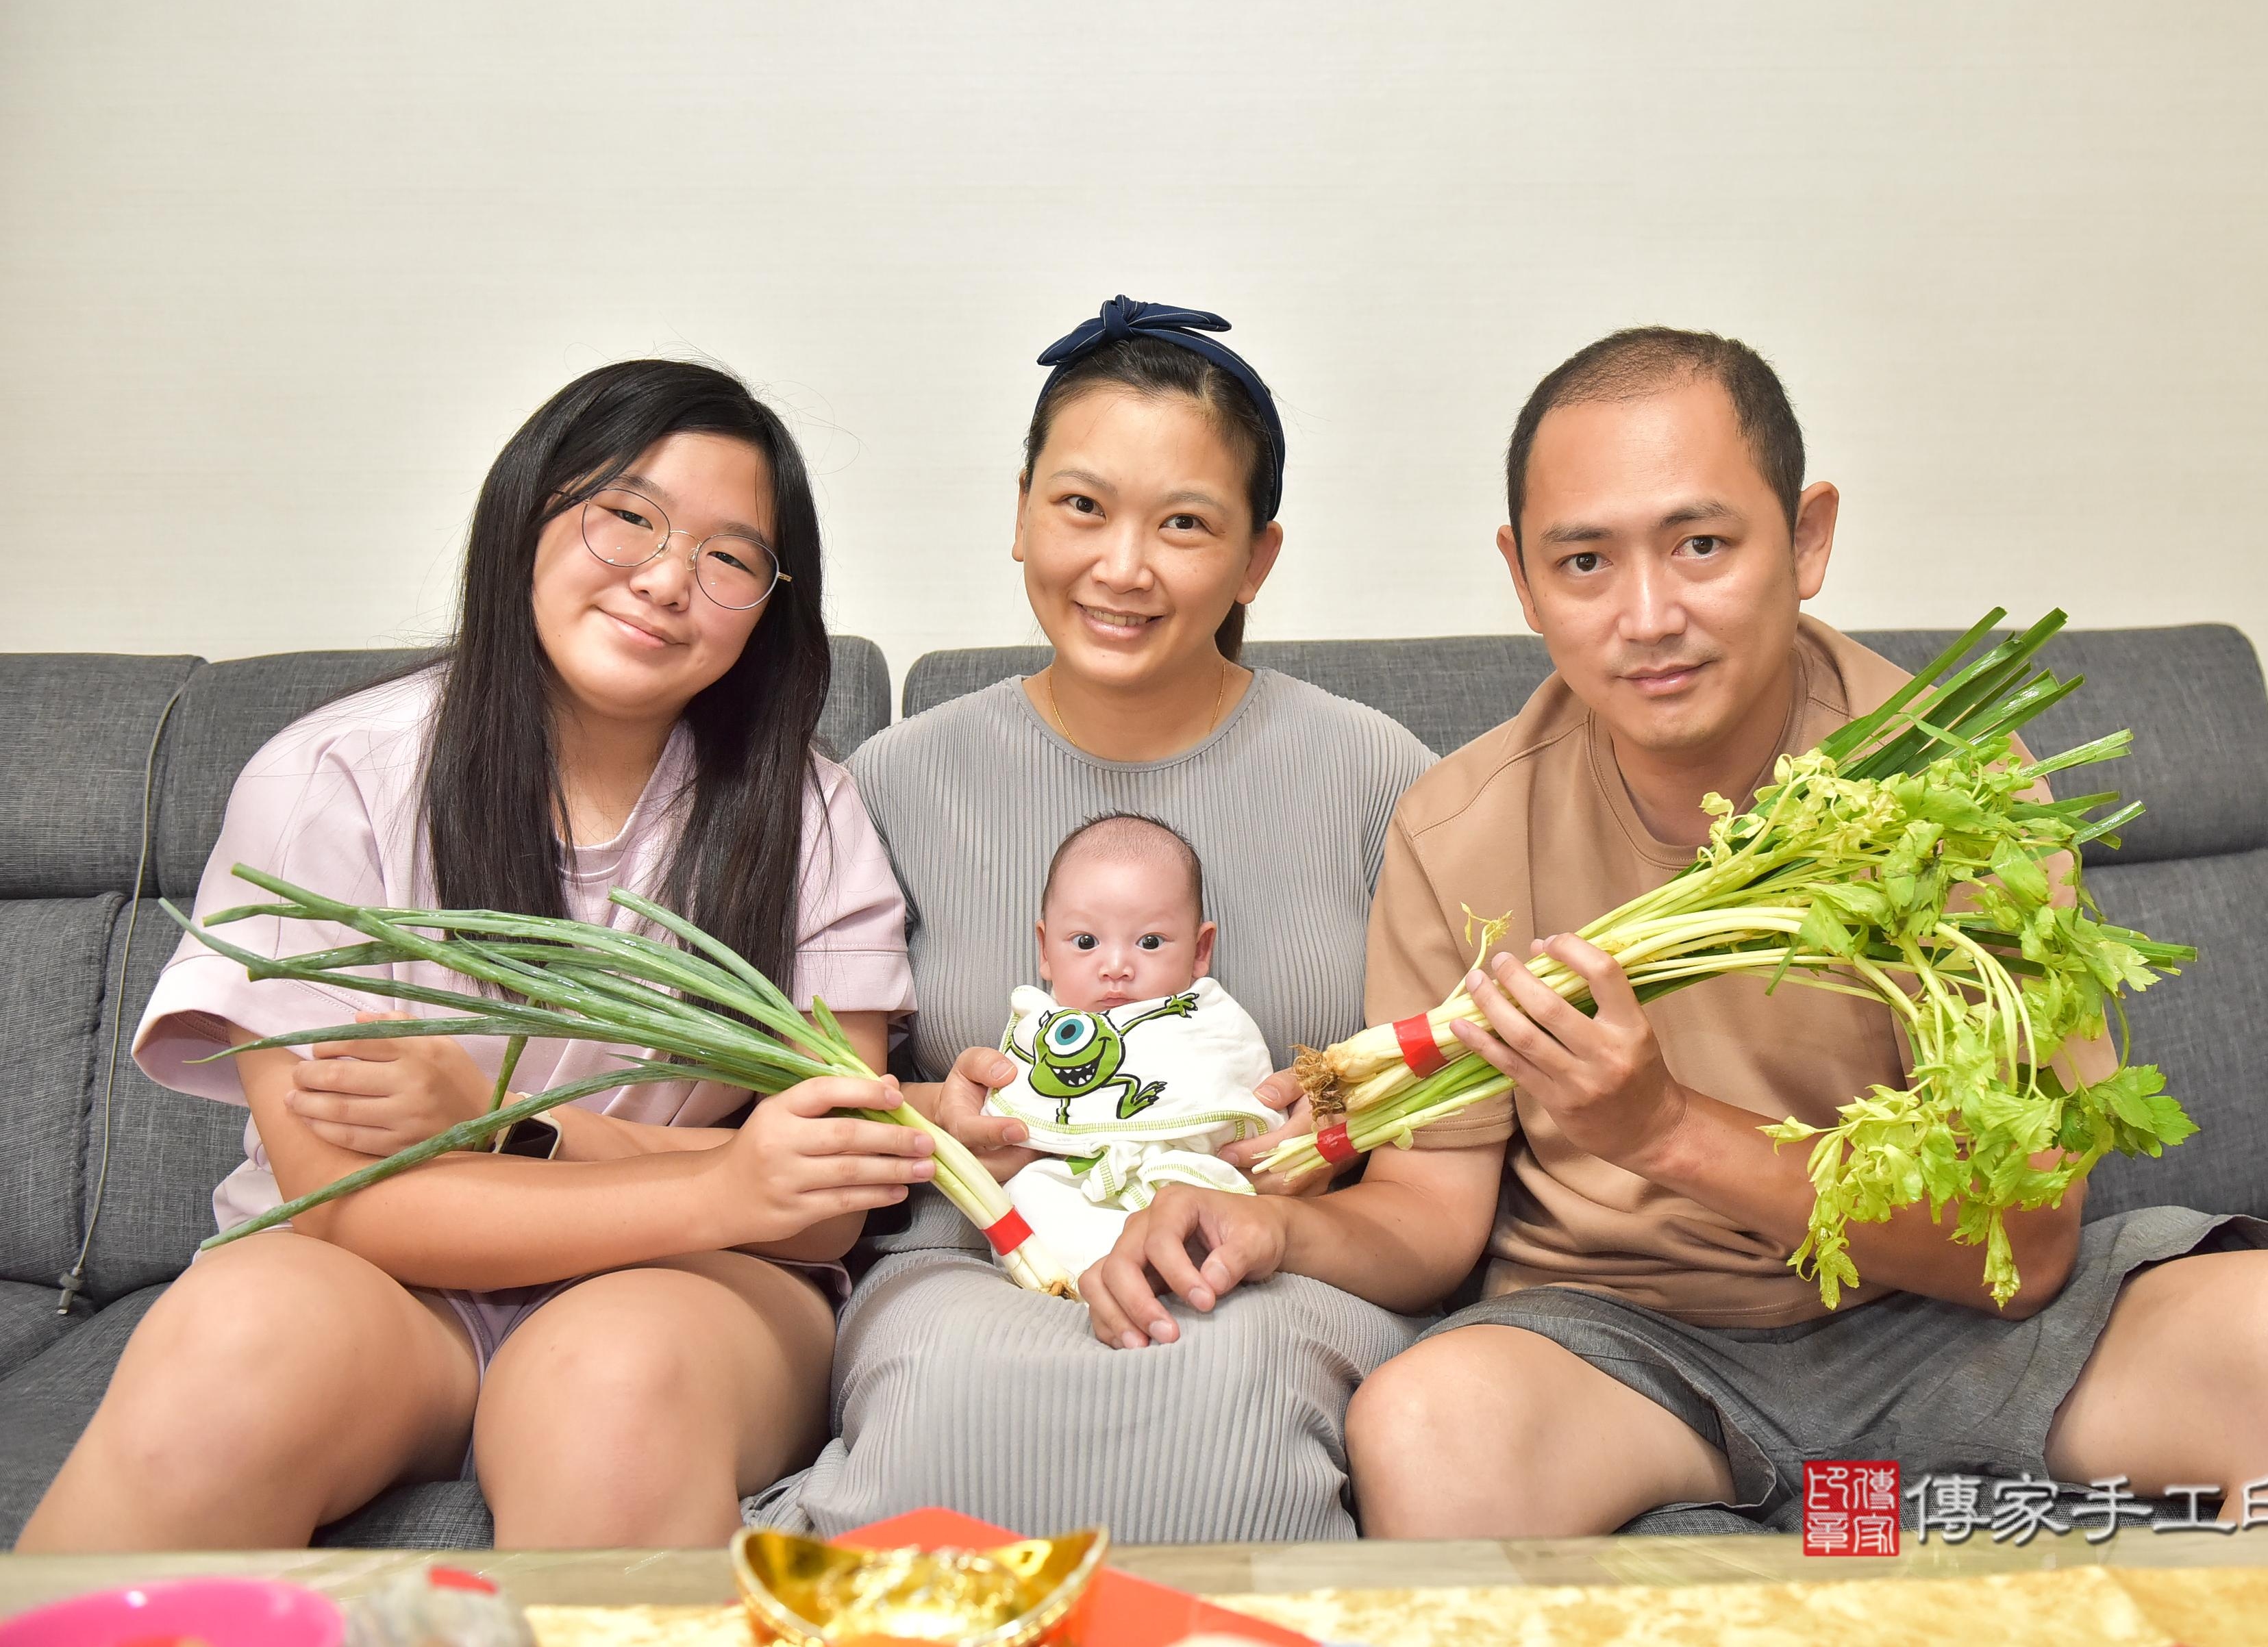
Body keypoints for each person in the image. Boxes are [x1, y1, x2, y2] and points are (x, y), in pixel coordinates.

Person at [1086, 327, 2268, 1536]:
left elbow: (2027, 1247)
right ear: (1520, 576)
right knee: (1429, 1431)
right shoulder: (1459, 824)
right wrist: (1275, 1231)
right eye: (1583, 559)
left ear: (1803, 539)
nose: (1646, 617)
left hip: (1960, 1328)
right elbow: (1433, 1223)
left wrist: (1662, 1129)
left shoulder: (1956, 794)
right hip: (1629, 1348)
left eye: (1700, 544)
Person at [18, 361, 922, 1552]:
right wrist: (715, 1174)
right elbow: (352, 1203)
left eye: (730, 557)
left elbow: (814, 1207)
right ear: (528, 509)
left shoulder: (805, 809)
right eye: (629, 516)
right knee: (235, 1348)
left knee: (611, 1381)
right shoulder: (333, 778)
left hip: (698, 1286)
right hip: (379, 1285)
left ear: (770, 603)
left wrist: (500, 1121)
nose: (665, 581)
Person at [752, 297, 1434, 1544]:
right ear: (1021, 514)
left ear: (1257, 558)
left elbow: (1428, 1095)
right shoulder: (897, 781)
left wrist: (1314, 1129)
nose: (1123, 566)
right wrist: (932, 1114)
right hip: (974, 1260)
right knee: (952, 1398)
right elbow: (825, 1106)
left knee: (1221, 1389)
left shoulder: (1373, 773)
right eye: (1081, 507)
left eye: (1183, 523)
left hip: (1270, 1265)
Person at [993, 812, 1282, 1269]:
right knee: (1025, 1194)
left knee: (1223, 1202)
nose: (1116, 966)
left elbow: (1242, 1105)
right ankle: (1084, 1274)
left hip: (1187, 1180)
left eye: (1149, 942)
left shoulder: (1208, 1021)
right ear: (1045, 950)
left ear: (1199, 950)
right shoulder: (1043, 1030)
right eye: (1085, 941)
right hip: (1075, 1181)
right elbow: (1006, 1127)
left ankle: (1170, 1268)